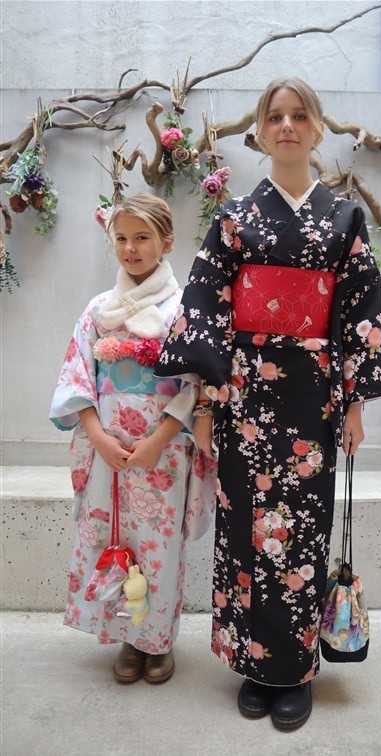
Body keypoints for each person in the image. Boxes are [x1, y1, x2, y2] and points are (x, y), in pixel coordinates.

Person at [155, 78, 381, 728]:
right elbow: (205, 308)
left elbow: (360, 311)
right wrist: (204, 406)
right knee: (244, 529)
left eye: (298, 115)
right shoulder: (234, 216)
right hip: (242, 396)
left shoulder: (345, 218)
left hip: (311, 398)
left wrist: (355, 405)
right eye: (274, 116)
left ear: (317, 127)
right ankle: (251, 664)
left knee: (301, 531)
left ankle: (293, 669)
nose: (286, 125)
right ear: (260, 131)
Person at [49, 193, 216, 684]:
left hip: (163, 447)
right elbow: (76, 376)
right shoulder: (98, 309)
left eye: (142, 237)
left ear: (166, 241)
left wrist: (159, 438)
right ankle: (127, 637)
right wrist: (97, 436)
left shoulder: (184, 308)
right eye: (121, 238)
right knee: (113, 536)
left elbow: (197, 383)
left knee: (159, 544)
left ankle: (158, 641)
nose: (130, 248)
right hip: (108, 447)